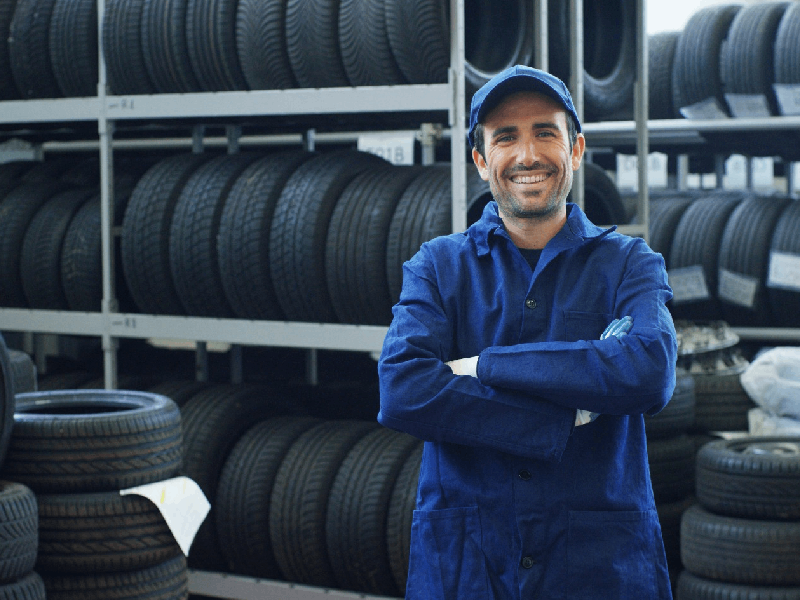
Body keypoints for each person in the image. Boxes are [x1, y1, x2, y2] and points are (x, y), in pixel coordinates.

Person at [377, 65, 677, 600]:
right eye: (505, 138)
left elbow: (649, 371)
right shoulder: (438, 267)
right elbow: (403, 390)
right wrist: (561, 413)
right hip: (469, 565)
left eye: (546, 132)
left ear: (576, 148)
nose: (528, 156)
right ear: (480, 159)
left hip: (598, 566)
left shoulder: (631, 264)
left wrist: (483, 365)